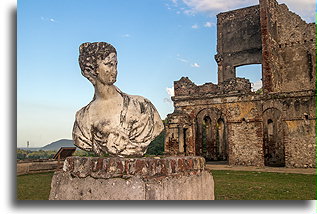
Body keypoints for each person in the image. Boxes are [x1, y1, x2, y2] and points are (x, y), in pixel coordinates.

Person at [73, 42, 164, 157]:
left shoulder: (141, 106)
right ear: (90, 71)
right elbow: (83, 142)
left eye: (115, 64)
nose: (115, 69)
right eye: (108, 64)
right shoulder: (82, 118)